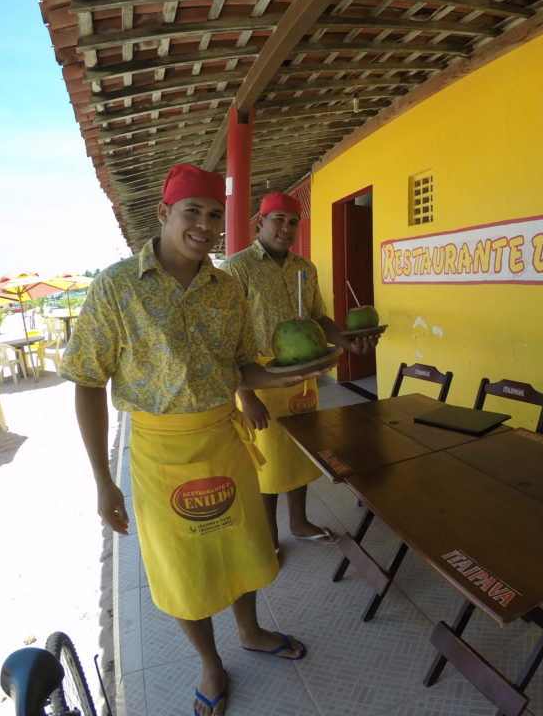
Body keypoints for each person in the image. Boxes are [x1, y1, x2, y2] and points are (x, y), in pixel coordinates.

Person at [60, 164, 333, 716]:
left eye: (213, 215)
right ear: (164, 214)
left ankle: (252, 632)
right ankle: (211, 662)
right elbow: (88, 384)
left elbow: (238, 367)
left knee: (244, 549)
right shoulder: (116, 287)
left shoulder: (227, 288)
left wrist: (273, 377)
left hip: (223, 438)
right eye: (193, 212)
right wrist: (103, 482)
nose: (205, 225)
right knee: (184, 569)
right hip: (160, 454)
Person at [221, 191, 379, 556]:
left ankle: (299, 522)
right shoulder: (236, 268)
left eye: (293, 222)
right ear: (260, 222)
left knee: (301, 451)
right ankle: (268, 535)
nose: (287, 228)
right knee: (267, 461)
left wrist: (346, 342)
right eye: (278, 219)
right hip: (258, 376)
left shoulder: (304, 269)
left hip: (302, 372)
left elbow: (319, 318)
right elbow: (228, 336)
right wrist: (246, 395)